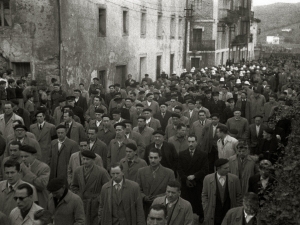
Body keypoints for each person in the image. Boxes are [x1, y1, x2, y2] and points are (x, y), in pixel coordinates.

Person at [71, 150, 110, 225]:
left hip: (95, 205)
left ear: (93, 160)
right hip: (81, 203)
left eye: (87, 159)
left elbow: (108, 188)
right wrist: (78, 196)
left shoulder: (102, 172)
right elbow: (74, 186)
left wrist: (99, 199)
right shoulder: (78, 171)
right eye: (83, 159)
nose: (85, 161)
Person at [177, 135, 209, 223]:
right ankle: (185, 217)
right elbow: (179, 169)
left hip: (198, 182)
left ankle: (200, 215)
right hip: (185, 183)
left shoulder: (203, 154)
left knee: (198, 200)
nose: (191, 144)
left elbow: (205, 169)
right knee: (186, 200)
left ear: (196, 142)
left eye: (193, 142)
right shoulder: (182, 154)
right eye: (189, 142)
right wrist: (185, 178)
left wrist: (195, 176)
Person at [202, 158, 242, 225]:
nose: (228, 170)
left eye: (228, 167)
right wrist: (206, 207)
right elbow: (204, 194)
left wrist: (237, 209)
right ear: (218, 168)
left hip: (229, 210)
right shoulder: (208, 179)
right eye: (225, 168)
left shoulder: (234, 179)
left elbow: (239, 195)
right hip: (214, 212)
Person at [137, 148, 175, 216]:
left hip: (162, 207)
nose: (153, 160)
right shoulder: (141, 172)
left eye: (155, 158)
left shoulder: (169, 173)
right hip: (145, 207)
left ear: (160, 158)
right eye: (151, 158)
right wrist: (144, 197)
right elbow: (137, 190)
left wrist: (158, 198)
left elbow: (172, 191)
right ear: (148, 158)